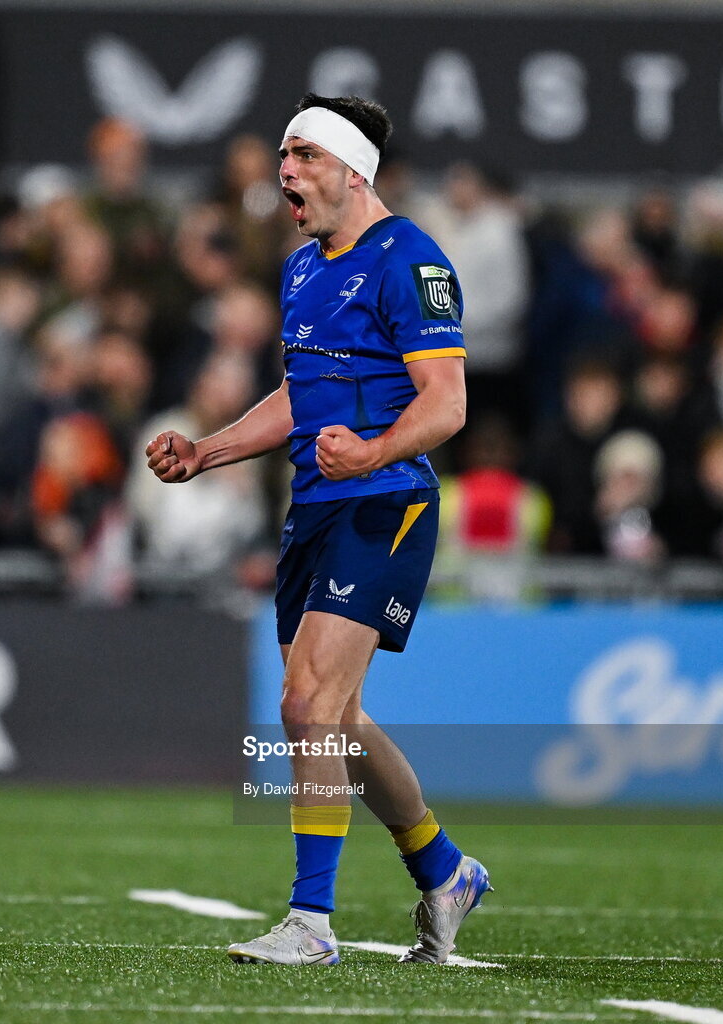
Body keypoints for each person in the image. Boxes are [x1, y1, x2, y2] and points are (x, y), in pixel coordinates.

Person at [145, 94, 490, 966]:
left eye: (300, 154)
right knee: (335, 716)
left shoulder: (409, 259)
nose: (284, 171)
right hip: (317, 506)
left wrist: (371, 453)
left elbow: (446, 404)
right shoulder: (303, 267)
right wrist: (209, 450)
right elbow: (303, 394)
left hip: (385, 501)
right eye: (283, 155)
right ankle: (444, 870)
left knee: (306, 705)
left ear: (350, 168)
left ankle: (311, 923)